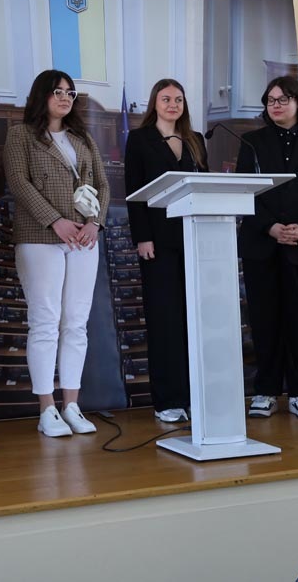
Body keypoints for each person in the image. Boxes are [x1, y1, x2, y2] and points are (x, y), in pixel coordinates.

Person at [4, 70, 109, 437]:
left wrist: (95, 223)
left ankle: (72, 405)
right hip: (39, 238)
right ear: (42, 95)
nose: (65, 98)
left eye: (70, 92)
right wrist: (55, 221)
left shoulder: (82, 137)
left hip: (84, 239)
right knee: (46, 322)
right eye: (58, 91)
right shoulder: (20, 135)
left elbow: (102, 184)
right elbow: (19, 183)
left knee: (76, 323)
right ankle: (46, 408)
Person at [236, 76, 298, 419]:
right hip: (261, 242)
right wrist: (270, 227)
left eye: (282, 99)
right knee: (264, 319)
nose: (275, 105)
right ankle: (265, 391)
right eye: (270, 100)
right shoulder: (251, 142)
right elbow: (244, 190)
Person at [123, 78, 207, 423]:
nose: (173, 105)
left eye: (179, 99)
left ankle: (193, 396)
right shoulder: (140, 139)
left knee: (192, 321)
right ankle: (167, 400)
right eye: (166, 99)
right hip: (157, 242)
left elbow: (204, 186)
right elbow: (133, 192)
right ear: (154, 104)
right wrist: (142, 237)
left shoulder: (195, 139)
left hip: (193, 238)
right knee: (164, 320)